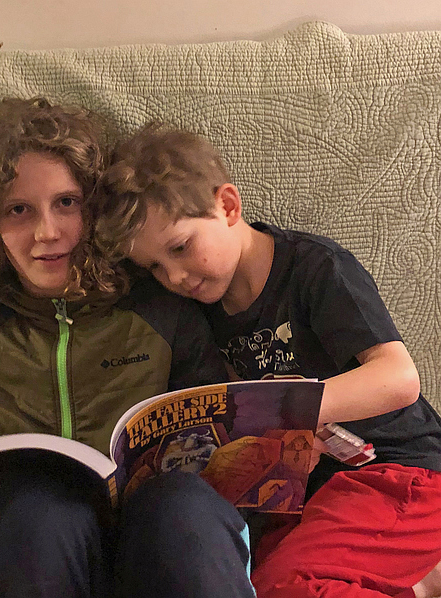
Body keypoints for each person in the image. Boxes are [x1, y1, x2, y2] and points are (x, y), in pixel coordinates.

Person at [0, 99, 256, 598]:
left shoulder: (162, 311)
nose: (47, 232)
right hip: (37, 542)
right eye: (18, 210)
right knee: (35, 515)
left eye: (67, 203)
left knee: (182, 507)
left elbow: (218, 432)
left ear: (95, 209)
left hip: (156, 535)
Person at [95, 123, 441, 598]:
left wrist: (289, 410)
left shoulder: (316, 268)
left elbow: (399, 379)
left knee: (287, 587)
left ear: (227, 206)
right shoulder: (199, 312)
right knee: (250, 583)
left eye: (180, 247)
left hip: (401, 471)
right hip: (311, 494)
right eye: (154, 266)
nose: (174, 276)